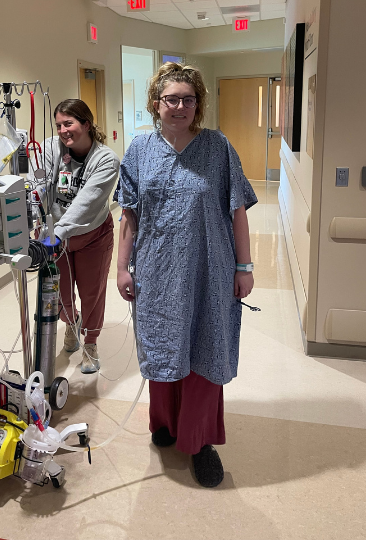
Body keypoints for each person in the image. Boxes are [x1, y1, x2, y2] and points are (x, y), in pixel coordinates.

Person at [116, 62, 256, 488]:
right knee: (163, 347)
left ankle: (199, 442)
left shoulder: (217, 147)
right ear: (156, 104)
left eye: (188, 99)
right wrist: (121, 267)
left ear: (199, 104)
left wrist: (244, 267)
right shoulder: (139, 150)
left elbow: (237, 211)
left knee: (204, 349)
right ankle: (165, 421)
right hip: (157, 271)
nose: (179, 106)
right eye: (171, 99)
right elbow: (129, 216)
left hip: (209, 270)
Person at [42, 99, 119, 374]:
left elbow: (85, 203)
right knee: (60, 293)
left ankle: (91, 343)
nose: (63, 130)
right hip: (57, 237)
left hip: (92, 235)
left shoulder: (106, 160)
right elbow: (43, 182)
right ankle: (70, 323)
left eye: (69, 123)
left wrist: (57, 232)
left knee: (91, 292)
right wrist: (34, 213)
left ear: (86, 124)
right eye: (59, 124)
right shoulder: (53, 147)